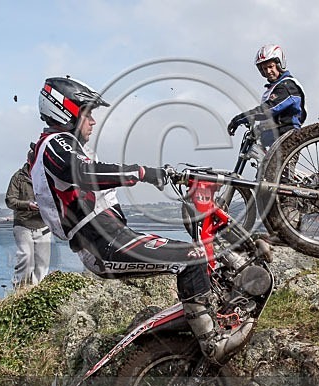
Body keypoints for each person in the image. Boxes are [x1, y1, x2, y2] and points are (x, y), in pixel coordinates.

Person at [29, 76, 239, 363]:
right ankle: (212, 342)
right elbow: (81, 172)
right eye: (87, 112)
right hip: (102, 244)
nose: (92, 120)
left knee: (199, 253)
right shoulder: (54, 143)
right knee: (191, 256)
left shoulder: (60, 145)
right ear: (66, 109)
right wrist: (141, 173)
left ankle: (215, 313)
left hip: (111, 238)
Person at [227, 44, 307, 147]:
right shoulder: (273, 88)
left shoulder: (287, 86)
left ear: (279, 65)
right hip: (275, 136)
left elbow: (268, 110)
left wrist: (239, 119)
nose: (268, 72)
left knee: (274, 163)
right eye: (264, 69)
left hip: (288, 136)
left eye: (270, 67)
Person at [5, 157, 52, 287]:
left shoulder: (47, 176)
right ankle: (21, 289)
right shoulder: (18, 177)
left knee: (42, 264)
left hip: (43, 225)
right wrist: (27, 204)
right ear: (29, 160)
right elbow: (10, 200)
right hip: (23, 224)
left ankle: (37, 292)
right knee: (26, 257)